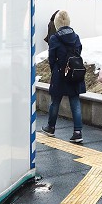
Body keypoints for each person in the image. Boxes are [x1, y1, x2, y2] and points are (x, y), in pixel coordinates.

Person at [42, 10, 86, 143]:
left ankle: (51, 127)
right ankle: (77, 132)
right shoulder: (76, 36)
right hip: (74, 74)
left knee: (55, 101)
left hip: (60, 74)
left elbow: (51, 58)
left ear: (56, 24)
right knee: (75, 102)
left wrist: (55, 70)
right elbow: (78, 52)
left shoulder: (54, 38)